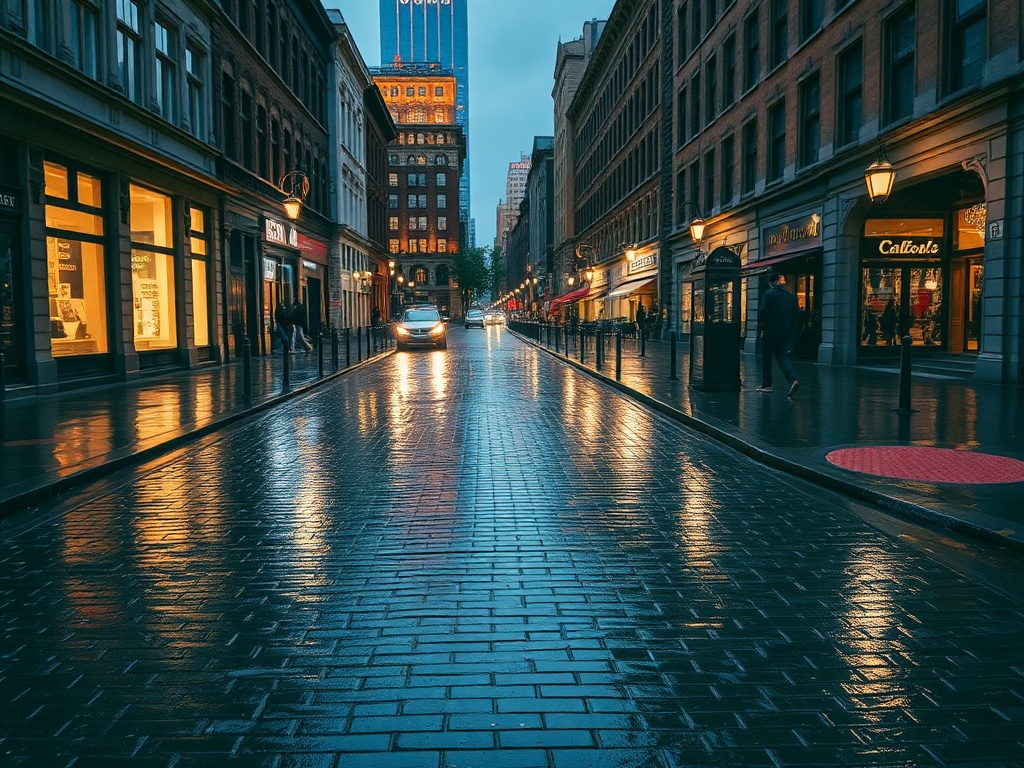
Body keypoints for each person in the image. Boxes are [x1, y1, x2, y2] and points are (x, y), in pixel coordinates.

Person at [757, 272, 800, 397]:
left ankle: (767, 385)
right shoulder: (791, 296)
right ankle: (792, 379)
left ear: (772, 282)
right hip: (785, 330)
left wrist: (761, 326)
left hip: (770, 329)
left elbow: (764, 312)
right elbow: (796, 313)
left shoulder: (768, 294)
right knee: (782, 355)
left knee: (767, 357)